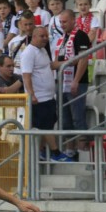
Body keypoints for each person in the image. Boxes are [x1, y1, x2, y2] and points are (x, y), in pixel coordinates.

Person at [22, 26, 72, 162]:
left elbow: (49, 65)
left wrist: (69, 62)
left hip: (49, 96)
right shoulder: (28, 52)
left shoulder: (42, 50)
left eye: (46, 36)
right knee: (46, 126)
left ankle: (42, 151)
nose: (45, 39)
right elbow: (26, 75)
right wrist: (32, 95)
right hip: (39, 98)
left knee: (49, 122)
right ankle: (56, 153)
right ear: (34, 36)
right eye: (42, 36)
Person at [54, 9, 90, 154]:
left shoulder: (80, 36)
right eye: (60, 22)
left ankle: (82, 149)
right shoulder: (62, 38)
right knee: (65, 118)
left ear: (73, 20)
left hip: (77, 82)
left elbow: (83, 59)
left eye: (65, 21)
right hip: (62, 82)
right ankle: (70, 149)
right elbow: (60, 62)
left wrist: (75, 81)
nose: (62, 25)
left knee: (78, 116)